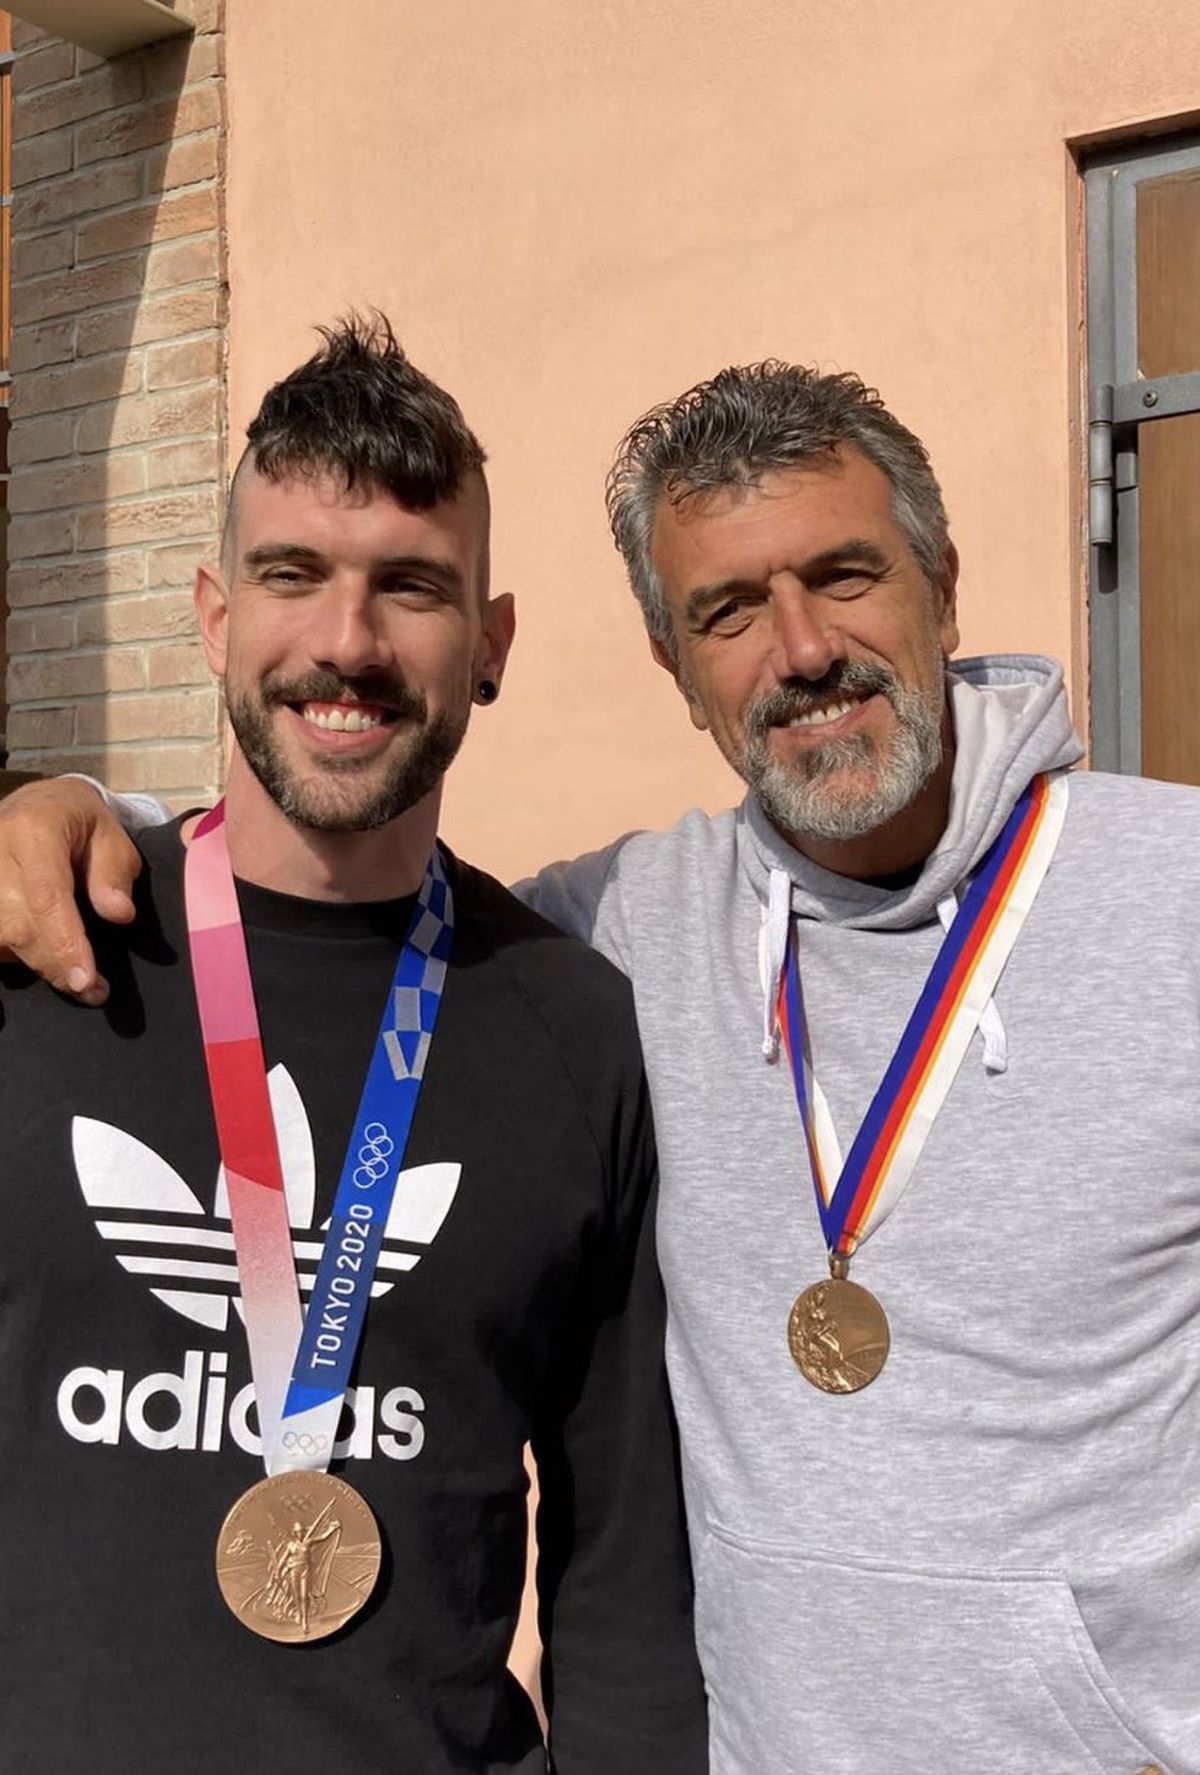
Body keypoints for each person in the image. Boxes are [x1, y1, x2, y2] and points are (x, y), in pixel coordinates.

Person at [2, 359, 1196, 1775]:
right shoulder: (618, 933)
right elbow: (293, 871)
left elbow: (618, 1551)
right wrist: (70, 809)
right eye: (728, 611)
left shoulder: (1168, 897)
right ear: (676, 668)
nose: (802, 648)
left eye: (844, 575)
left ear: (942, 589)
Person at [0, 317, 708, 1775]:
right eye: (292, 575)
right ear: (215, 618)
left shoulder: (579, 1032)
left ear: (490, 643)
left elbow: (625, 1574)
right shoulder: (43, 950)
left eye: (410, 586)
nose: (346, 642)